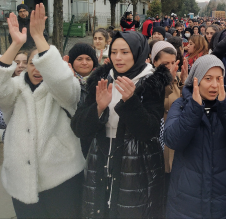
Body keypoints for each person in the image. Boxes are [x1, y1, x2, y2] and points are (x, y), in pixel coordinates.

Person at [71, 31, 169, 218]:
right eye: (114, 51)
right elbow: (78, 127)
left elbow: (150, 131)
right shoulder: (101, 78)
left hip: (138, 166)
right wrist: (98, 108)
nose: (118, 58)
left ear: (138, 52)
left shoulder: (151, 81)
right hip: (100, 162)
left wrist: (131, 102)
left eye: (125, 52)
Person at [0, 4, 84, 218]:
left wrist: (39, 37)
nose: (36, 68)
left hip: (62, 180)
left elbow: (64, 82)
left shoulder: (63, 90)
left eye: (41, 63)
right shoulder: (15, 90)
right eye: (31, 63)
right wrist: (16, 44)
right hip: (21, 183)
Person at [164, 55, 226, 219]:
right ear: (196, 80)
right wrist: (194, 109)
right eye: (208, 79)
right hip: (186, 199)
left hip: (225, 197)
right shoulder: (182, 104)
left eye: (218, 79)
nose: (214, 85)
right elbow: (172, 140)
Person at [150, 41, 187, 186]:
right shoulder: (149, 80)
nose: (171, 67)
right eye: (166, 64)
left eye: (173, 62)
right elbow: (159, 103)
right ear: (154, 62)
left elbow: (188, 105)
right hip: (159, 140)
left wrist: (185, 82)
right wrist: (167, 83)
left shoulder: (179, 77)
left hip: (177, 139)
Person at [66, 43, 99, 157]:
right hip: (69, 137)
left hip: (95, 138)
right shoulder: (63, 82)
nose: (84, 62)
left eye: (88, 59)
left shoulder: (102, 81)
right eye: (79, 59)